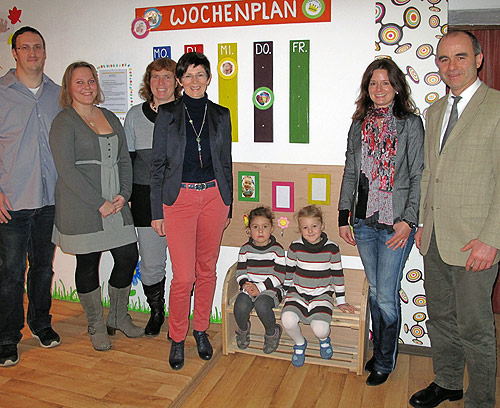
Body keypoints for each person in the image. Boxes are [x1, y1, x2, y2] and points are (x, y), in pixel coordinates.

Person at [409, 31, 500, 408]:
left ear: (478, 59)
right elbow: (429, 173)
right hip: (434, 237)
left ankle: (480, 400)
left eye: (460, 57)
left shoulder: (496, 107)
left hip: (476, 241)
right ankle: (447, 382)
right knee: (440, 318)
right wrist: (421, 223)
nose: (451, 66)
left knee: (475, 329)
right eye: (444, 59)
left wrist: (492, 239)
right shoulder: (433, 112)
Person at [338, 58, 424, 386]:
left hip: (395, 223)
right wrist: (344, 216)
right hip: (364, 221)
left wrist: (409, 221)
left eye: (385, 83)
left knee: (386, 294)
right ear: (367, 88)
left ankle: (385, 361)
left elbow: (417, 175)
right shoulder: (358, 125)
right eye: (373, 83)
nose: (379, 89)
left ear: (396, 87)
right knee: (375, 292)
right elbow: (350, 171)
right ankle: (380, 352)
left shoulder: (410, 124)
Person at [49, 61, 143, 352]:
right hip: (82, 206)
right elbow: (66, 170)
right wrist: (98, 202)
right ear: (69, 87)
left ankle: (117, 316)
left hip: (115, 203)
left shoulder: (110, 116)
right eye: (79, 82)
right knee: (88, 263)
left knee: (128, 256)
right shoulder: (64, 121)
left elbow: (124, 159)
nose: (87, 87)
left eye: (90, 81)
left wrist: (124, 193)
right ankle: (95, 324)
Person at [151, 52, 233, 370]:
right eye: (188, 75)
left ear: (209, 79)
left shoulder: (221, 114)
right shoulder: (167, 114)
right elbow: (157, 165)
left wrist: (228, 204)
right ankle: (177, 337)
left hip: (214, 198)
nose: (194, 81)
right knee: (184, 277)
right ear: (179, 80)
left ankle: (200, 330)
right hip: (179, 200)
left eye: (200, 75)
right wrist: (156, 211)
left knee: (207, 270)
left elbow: (226, 162)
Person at [0, 26, 61, 367]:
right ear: (15, 53)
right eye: (25, 47)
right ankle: (7, 337)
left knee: (43, 268)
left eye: (37, 46)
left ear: (45, 51)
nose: (32, 53)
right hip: (11, 201)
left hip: (50, 199)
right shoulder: (1, 93)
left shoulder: (58, 94)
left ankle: (41, 323)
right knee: (10, 274)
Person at [124, 58, 180, 337]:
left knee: (184, 264)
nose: (161, 83)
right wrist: (127, 195)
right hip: (145, 198)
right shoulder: (135, 115)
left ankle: (179, 318)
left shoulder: (187, 112)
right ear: (148, 81)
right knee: (151, 262)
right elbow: (127, 160)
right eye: (155, 77)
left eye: (167, 76)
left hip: (181, 198)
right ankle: (156, 312)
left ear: (176, 82)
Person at [282, 205, 356, 367]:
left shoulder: (332, 248)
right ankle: (300, 343)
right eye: (305, 227)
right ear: (300, 229)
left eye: (314, 226)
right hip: (298, 294)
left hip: (322, 295)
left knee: (320, 329)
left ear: (322, 226)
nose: (310, 231)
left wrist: (341, 301)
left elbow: (337, 275)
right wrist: (284, 292)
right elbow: (289, 272)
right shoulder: (295, 247)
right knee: (287, 319)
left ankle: (324, 340)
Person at [234, 206, 286, 353]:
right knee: (240, 305)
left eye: (265, 227)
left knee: (262, 304)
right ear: (249, 230)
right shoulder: (245, 249)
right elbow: (241, 272)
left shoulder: (277, 250)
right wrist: (246, 285)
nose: (260, 231)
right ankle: (243, 329)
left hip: (272, 289)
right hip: (250, 287)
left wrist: (260, 288)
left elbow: (279, 276)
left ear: (272, 229)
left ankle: (272, 332)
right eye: (255, 227)